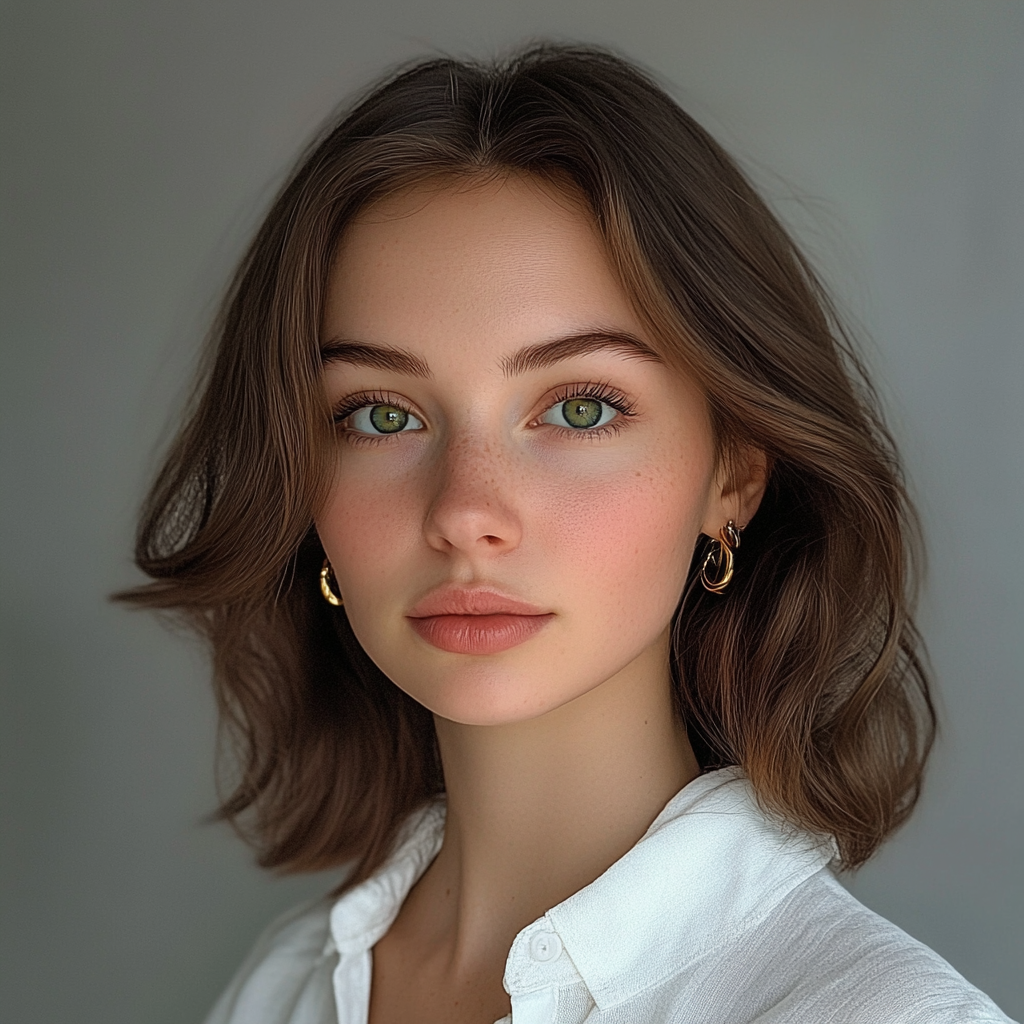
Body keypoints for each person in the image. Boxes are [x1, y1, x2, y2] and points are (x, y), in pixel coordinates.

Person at [118, 44, 1015, 1024]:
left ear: (735, 472)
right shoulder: (283, 987)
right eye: (380, 414)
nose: (465, 511)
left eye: (579, 408)